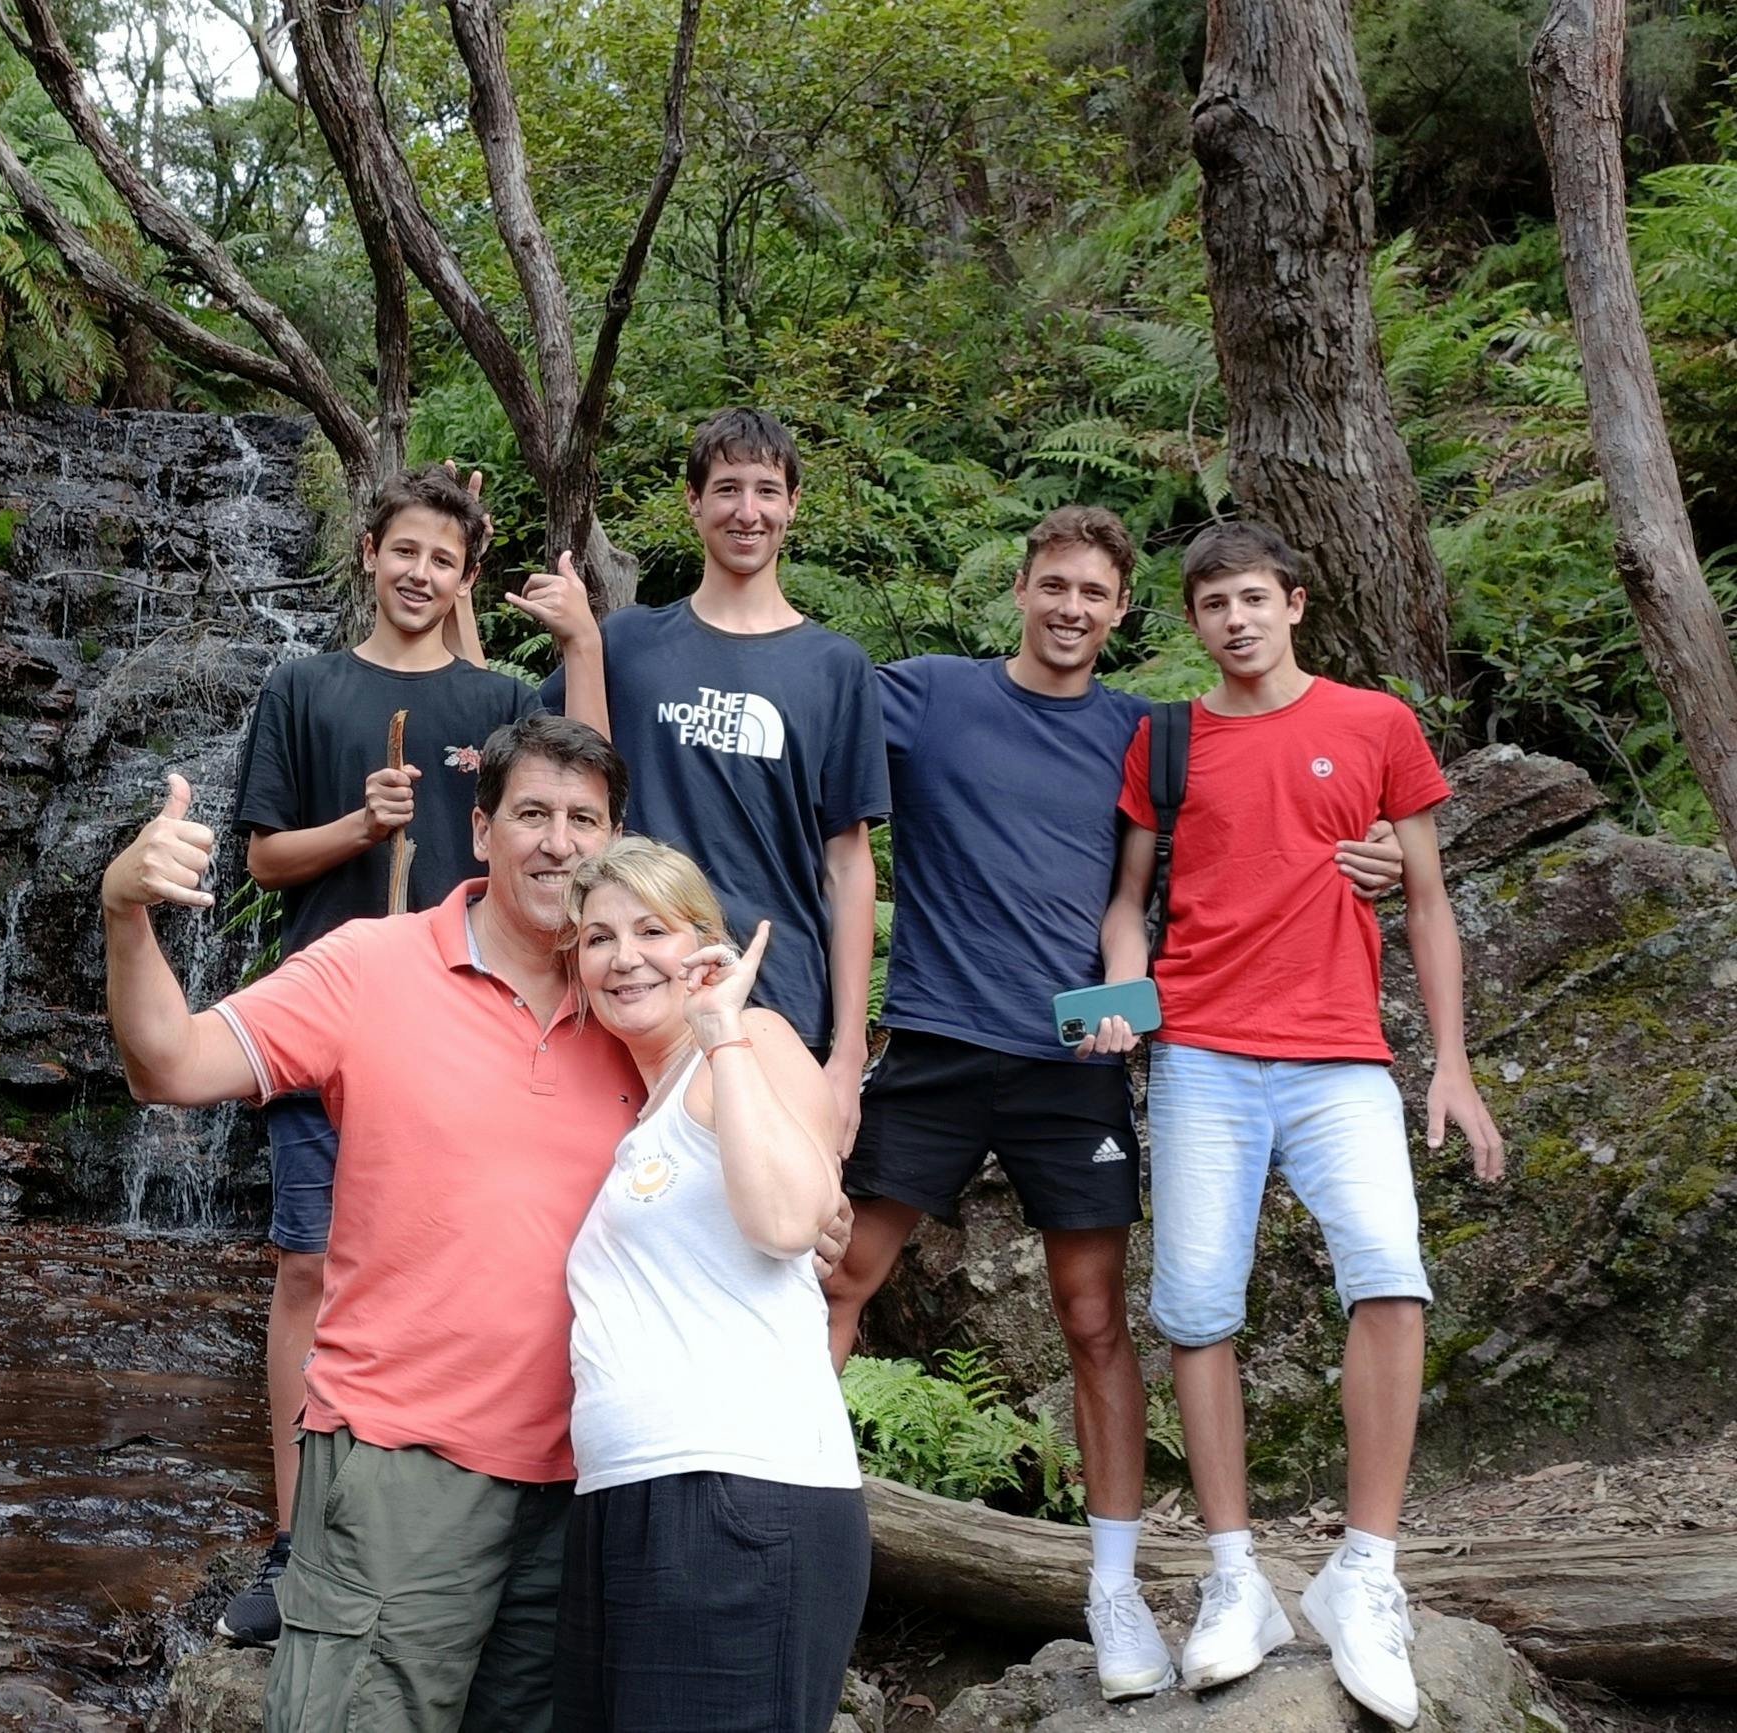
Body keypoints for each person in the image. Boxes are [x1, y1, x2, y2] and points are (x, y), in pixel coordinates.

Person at [818, 507, 1406, 1701]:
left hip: (1071, 1059)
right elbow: (798, 749)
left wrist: (1387, 847)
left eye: (1093, 591)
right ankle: (797, 1532)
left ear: (1124, 608)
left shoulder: (1148, 733)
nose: (1070, 607)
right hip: (931, 1038)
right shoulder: (926, 694)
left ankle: (1116, 1588)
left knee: (1093, 1317)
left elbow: (1261, 823)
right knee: (840, 1277)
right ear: (1019, 590)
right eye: (1051, 585)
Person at [100, 711, 637, 1733]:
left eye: (584, 818)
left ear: (616, 841)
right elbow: (167, 1064)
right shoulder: (369, 964)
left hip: (587, 1477)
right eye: (530, 812)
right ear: (479, 831)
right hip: (401, 1467)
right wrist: (125, 910)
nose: (557, 841)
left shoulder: (631, 994)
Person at [1097, 520, 1505, 1729]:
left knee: (1389, 1278)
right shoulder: (1163, 737)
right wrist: (1123, 1007)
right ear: (1192, 620)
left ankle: (1362, 1570)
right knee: (1194, 1309)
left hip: (1340, 1057)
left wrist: (1453, 1066)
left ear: (1294, 602)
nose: (1233, 619)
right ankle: (1234, 1576)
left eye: (1252, 598)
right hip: (1201, 1056)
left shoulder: (1373, 724)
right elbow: (1127, 902)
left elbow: (1425, 901)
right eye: (1211, 603)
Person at [220, 466, 596, 1646]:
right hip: (328, 1017)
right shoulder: (306, 685)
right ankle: (293, 1542)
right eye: (403, 551)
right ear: (370, 554)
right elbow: (262, 862)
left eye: (444, 557)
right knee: (306, 1268)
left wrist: (581, 635)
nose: (419, 573)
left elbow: (583, 776)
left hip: (466, 1032)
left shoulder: (494, 702)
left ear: (464, 575)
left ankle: (470, 1527)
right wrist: (358, 825)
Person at [553, 837, 865, 1733]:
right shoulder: (644, 1107)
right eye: (599, 937)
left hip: (737, 1491)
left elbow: (787, 1221)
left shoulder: (750, 1041)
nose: (624, 957)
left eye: (653, 929)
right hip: (629, 1494)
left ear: (704, 944)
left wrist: (722, 1025)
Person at [541, 407, 885, 1149]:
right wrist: (561, 637)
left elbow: (849, 864)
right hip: (636, 985)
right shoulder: (627, 644)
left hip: (779, 997)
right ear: (693, 503)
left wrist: (848, 1051)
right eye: (727, 489)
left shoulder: (836, 669)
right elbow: (579, 782)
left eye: (767, 490)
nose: (747, 511)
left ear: (793, 502)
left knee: (777, 1233)